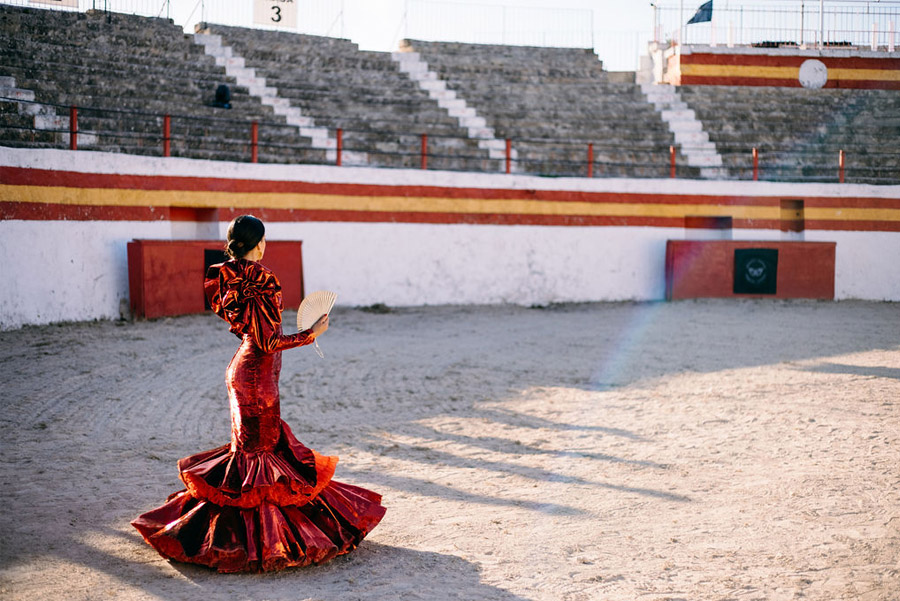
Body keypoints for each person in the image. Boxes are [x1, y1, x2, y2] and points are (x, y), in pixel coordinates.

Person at [132, 215, 385, 573]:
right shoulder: (262, 278)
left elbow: (249, 332)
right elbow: (268, 341)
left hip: (244, 370)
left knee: (251, 457)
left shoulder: (230, 275)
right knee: (259, 460)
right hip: (257, 378)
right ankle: (262, 543)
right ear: (260, 243)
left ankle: (235, 537)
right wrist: (311, 333)